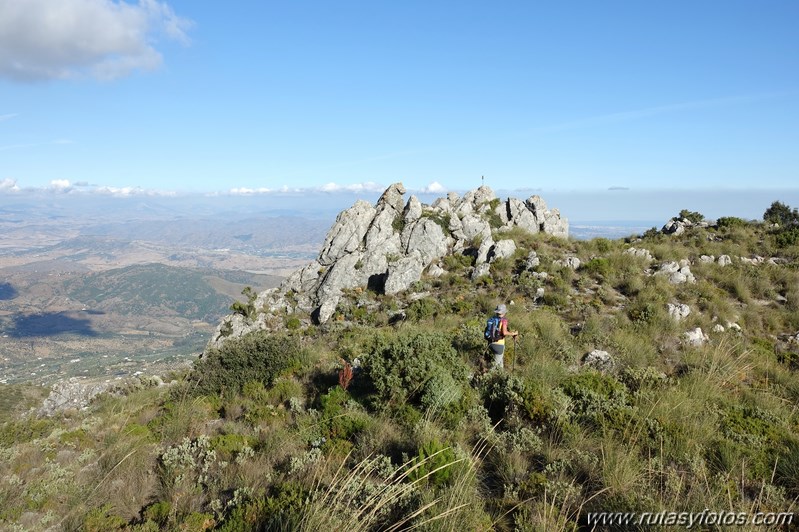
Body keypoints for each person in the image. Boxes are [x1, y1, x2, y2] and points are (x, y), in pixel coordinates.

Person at [487, 304, 518, 369]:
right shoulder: (503, 320)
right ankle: (484, 377)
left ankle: (500, 377)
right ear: (504, 312)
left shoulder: (492, 319)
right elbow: (504, 332)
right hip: (499, 345)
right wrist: (513, 333)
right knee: (495, 366)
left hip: (490, 343)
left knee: (500, 364)